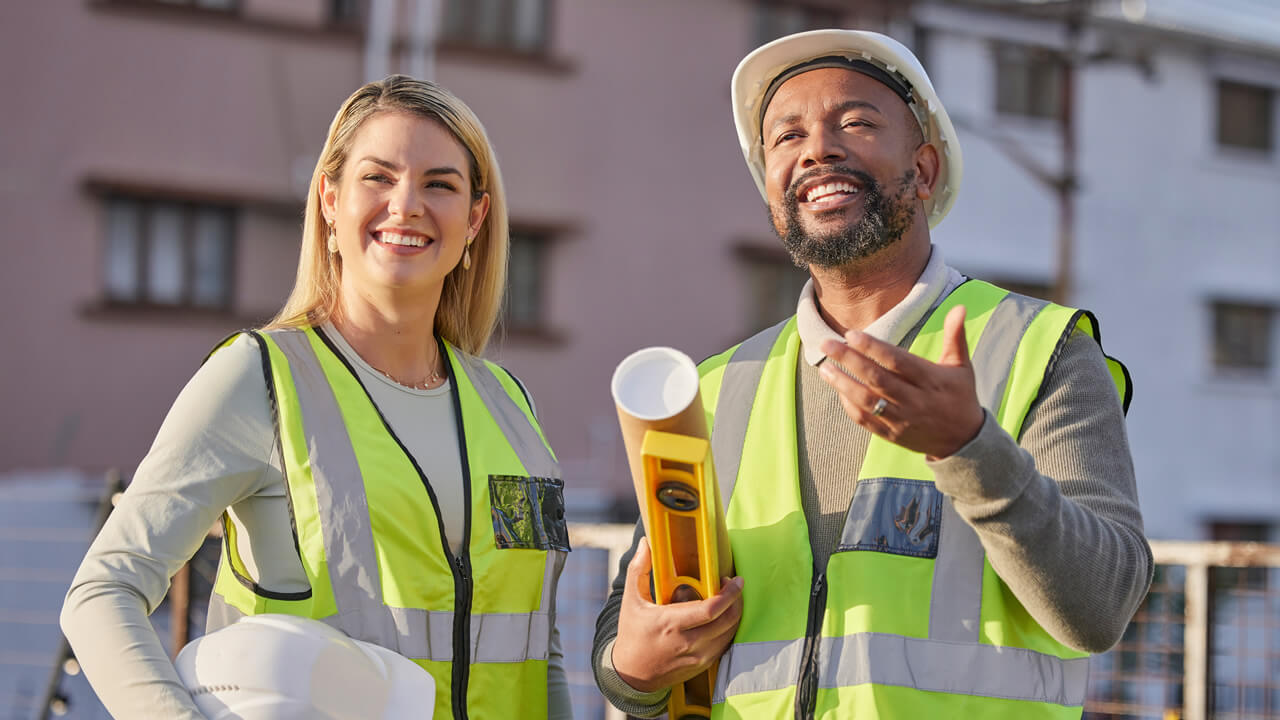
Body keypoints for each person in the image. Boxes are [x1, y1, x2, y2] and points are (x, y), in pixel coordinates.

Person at [592, 29, 1152, 719]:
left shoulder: (1041, 351)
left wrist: (969, 447)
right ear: (772, 193)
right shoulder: (715, 387)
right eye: (785, 137)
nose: (817, 149)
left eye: (854, 123)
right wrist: (632, 670)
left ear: (922, 170)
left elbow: (1100, 609)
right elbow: (632, 629)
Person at [62, 75, 573, 720]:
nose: (406, 204)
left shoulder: (513, 408)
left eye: (439, 184)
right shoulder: (260, 378)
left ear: (474, 219)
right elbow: (102, 593)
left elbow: (540, 646)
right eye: (378, 177)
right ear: (330, 200)